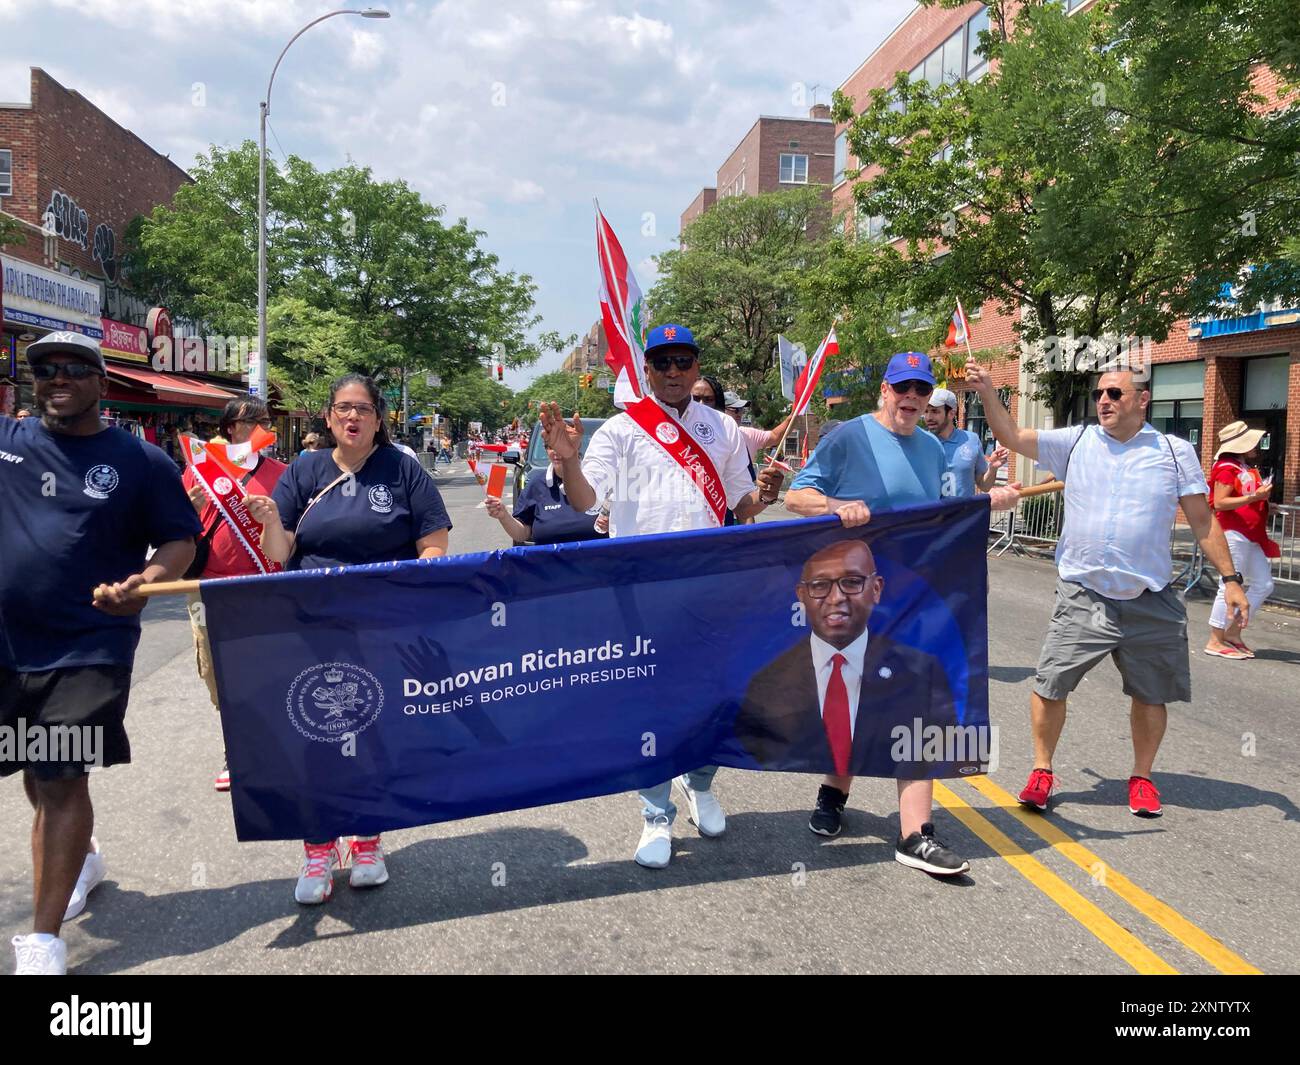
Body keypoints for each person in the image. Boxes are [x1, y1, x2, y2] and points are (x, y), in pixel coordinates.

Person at [539, 322, 783, 869]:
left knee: (715, 697)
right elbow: (584, 502)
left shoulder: (721, 427)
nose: (673, 372)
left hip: (709, 588)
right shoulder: (622, 431)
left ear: (696, 367)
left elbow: (742, 508)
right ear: (646, 370)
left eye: (683, 362)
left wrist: (764, 495)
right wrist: (568, 460)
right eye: (662, 363)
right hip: (641, 592)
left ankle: (699, 783)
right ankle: (655, 813)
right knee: (650, 702)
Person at [966, 363, 1249, 818]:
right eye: (1100, 393)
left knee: (1150, 694)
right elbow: (1015, 435)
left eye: (1115, 393)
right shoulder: (1076, 441)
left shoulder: (1175, 452)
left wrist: (1232, 580)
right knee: (1050, 684)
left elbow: (1202, 520)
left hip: (1149, 596)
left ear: (1143, 399)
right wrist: (986, 394)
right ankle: (1041, 770)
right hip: (1084, 593)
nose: (1104, 401)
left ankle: (1141, 777)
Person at [1, 332, 200, 975]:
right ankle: (81, 856)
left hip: (89, 643)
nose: (57, 378)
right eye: (44, 369)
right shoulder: (8, 443)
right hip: (8, 647)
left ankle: (42, 942)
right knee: (37, 769)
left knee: (60, 776)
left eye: (74, 369)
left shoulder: (141, 462)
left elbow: (178, 542)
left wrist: (144, 582)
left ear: (101, 381)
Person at [785, 351, 1020, 874]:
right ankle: (832, 792)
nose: (911, 398)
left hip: (914, 597)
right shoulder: (849, 436)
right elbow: (796, 497)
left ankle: (916, 833)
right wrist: (833, 507)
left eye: (920, 390)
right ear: (884, 391)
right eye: (902, 388)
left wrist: (990, 499)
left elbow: (943, 513)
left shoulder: (934, 450)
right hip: (853, 599)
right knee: (855, 699)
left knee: (918, 703)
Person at [246, 373, 452, 905]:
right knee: (316, 734)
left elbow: (433, 545)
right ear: (329, 417)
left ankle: (366, 841)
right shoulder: (305, 470)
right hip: (313, 627)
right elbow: (279, 549)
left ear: (380, 419)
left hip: (383, 628)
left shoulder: (403, 469)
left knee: (374, 734)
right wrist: (271, 517)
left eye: (363, 409)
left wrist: (411, 596)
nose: (353, 417)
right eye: (343, 408)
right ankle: (318, 848)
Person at [733, 542, 964, 792]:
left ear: (876, 589)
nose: (836, 598)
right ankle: (833, 795)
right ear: (801, 596)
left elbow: (933, 749)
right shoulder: (766, 684)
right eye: (820, 586)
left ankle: (914, 828)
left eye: (852, 582)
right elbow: (752, 746)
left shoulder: (921, 672)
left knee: (917, 747)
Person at [181, 396, 288, 791]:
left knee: (270, 667)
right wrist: (186, 510)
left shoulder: (283, 473)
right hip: (211, 587)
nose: (261, 426)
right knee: (218, 671)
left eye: (265, 420)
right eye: (251, 421)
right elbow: (174, 532)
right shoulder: (199, 470)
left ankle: (274, 742)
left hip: (268, 586)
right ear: (229, 428)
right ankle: (237, 748)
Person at [1203, 421, 1277, 660]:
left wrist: (1264, 504)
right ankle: (1215, 639)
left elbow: (1240, 498)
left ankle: (1232, 633)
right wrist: (1255, 497)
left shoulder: (1240, 466)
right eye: (1252, 442)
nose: (1256, 446)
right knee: (1228, 585)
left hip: (1249, 534)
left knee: (1264, 584)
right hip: (1234, 533)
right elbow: (1220, 502)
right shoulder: (1227, 468)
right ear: (1241, 446)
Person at [485, 443, 606, 545]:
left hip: (596, 567)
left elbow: (620, 520)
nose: (556, 451)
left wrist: (611, 523)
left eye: (562, 445)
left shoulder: (599, 480)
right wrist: (503, 516)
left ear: (576, 446)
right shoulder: (536, 484)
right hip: (548, 569)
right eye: (550, 446)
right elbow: (522, 534)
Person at [924, 387, 1008, 496]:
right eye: (926, 411)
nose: (928, 417)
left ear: (951, 413)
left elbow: (984, 486)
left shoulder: (971, 440)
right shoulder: (920, 442)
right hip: (930, 512)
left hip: (965, 512)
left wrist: (992, 468)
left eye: (935, 411)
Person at [724, 391, 795, 464]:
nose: (739, 413)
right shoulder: (713, 437)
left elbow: (775, 436)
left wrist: (793, 415)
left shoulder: (749, 434)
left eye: (741, 409)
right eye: (735, 409)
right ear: (722, 410)